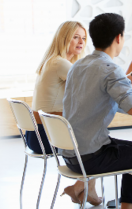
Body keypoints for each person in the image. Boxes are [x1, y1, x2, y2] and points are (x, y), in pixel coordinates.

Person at [62, 13, 132, 209]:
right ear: (118, 38)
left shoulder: (79, 65)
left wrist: (130, 90)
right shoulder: (109, 68)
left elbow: (96, 92)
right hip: (92, 156)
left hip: (71, 154)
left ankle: (127, 207)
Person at [30, 21, 102, 206]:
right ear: (64, 38)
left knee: (91, 132)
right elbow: (92, 85)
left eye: (84, 38)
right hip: (46, 137)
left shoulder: (52, 61)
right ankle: (81, 187)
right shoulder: (59, 63)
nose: (81, 42)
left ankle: (85, 188)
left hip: (36, 135)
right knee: (96, 140)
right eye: (75, 37)